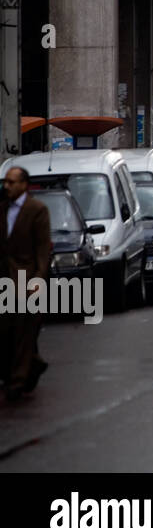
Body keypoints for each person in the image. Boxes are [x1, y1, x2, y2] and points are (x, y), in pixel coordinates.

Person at [0, 167, 51, 401]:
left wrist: (39, 278)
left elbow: (42, 248)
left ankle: (17, 382)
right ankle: (33, 364)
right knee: (7, 331)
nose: (6, 186)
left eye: (11, 182)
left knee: (22, 331)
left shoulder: (36, 210)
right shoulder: (2, 209)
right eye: (5, 182)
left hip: (26, 280)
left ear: (24, 185)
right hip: (4, 279)